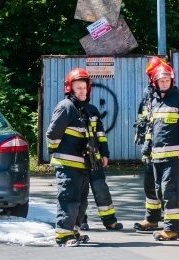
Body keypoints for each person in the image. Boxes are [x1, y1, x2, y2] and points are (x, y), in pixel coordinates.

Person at [46, 67, 122, 247]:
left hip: (85, 164)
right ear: (70, 88)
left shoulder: (90, 110)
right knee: (68, 198)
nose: (81, 90)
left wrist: (104, 154)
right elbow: (52, 135)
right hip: (67, 164)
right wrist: (59, 152)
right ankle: (63, 235)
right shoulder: (66, 107)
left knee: (81, 200)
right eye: (77, 87)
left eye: (84, 87)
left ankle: (73, 231)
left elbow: (99, 135)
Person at [141, 62, 179, 241]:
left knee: (169, 190)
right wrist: (146, 148)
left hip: (173, 156)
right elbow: (150, 129)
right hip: (157, 156)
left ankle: (172, 229)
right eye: (161, 81)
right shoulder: (156, 103)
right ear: (155, 83)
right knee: (159, 190)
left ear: (171, 81)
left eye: (167, 80)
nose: (164, 83)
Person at [133, 57, 179, 233]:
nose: (161, 81)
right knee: (152, 186)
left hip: (168, 151)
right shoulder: (150, 99)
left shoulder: (176, 99)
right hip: (152, 151)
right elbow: (146, 123)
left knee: (170, 187)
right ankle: (152, 218)